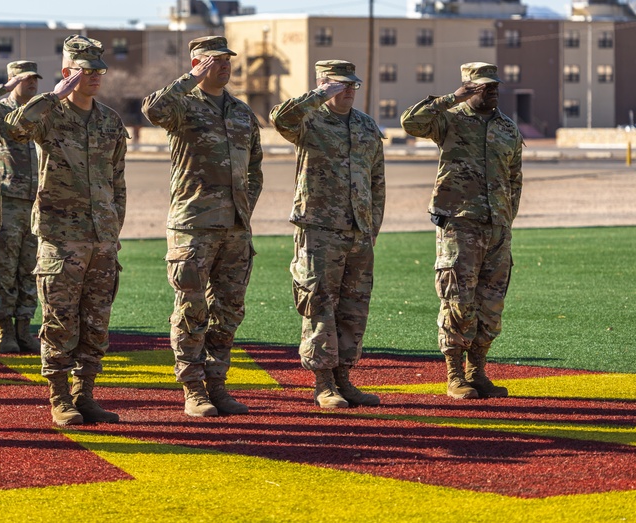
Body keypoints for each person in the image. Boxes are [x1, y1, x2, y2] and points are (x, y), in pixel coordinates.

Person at [7, 35, 127, 427]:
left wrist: (113, 225)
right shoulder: (49, 115)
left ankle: (85, 394)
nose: (93, 77)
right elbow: (14, 127)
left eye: (97, 71)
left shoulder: (110, 120)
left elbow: (117, 180)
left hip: (102, 239)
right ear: (67, 72)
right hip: (61, 238)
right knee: (60, 320)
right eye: (84, 70)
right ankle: (59, 398)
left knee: (96, 322)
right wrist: (53, 96)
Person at [141, 36, 263, 417]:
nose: (224, 66)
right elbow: (154, 109)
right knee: (191, 310)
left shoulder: (242, 113)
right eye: (214, 60)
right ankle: (193, 389)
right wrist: (190, 78)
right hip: (193, 225)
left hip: (235, 228)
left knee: (228, 311)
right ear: (197, 63)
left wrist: (242, 207)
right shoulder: (182, 105)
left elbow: (254, 170)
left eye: (227, 60)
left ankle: (217, 384)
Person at [400, 62, 523, 400]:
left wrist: (505, 218)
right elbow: (411, 122)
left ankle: (478, 372)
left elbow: (514, 178)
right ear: (469, 87)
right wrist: (452, 98)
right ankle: (455, 375)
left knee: (491, 304)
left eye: (495, 84)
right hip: (460, 224)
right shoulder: (450, 119)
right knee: (458, 300)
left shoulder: (507, 128)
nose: (493, 90)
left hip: (497, 229)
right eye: (485, 85)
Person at [270, 60, 385, 409]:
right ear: (322, 83)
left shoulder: (366, 126)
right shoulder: (309, 120)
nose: (348, 90)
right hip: (319, 230)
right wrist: (318, 96)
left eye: (352, 84)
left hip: (358, 232)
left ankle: (344, 378)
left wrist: (371, 226)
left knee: (354, 308)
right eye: (339, 84)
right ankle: (323, 383)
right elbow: (280, 118)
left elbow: (376, 181)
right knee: (319, 303)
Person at [0, 61, 41, 353]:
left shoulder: (42, 111)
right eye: (26, 80)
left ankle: (25, 328)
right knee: (5, 268)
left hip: (37, 201)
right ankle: (6, 332)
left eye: (34, 79)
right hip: (8, 200)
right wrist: (2, 89)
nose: (32, 85)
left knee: (30, 268)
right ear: (13, 80)